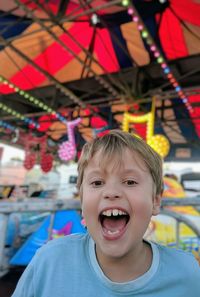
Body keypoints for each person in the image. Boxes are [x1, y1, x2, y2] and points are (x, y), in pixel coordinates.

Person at [12, 130, 200, 297]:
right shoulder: (48, 262)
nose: (111, 192)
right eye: (97, 183)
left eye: (130, 182)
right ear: (82, 199)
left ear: (155, 201)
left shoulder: (187, 274)